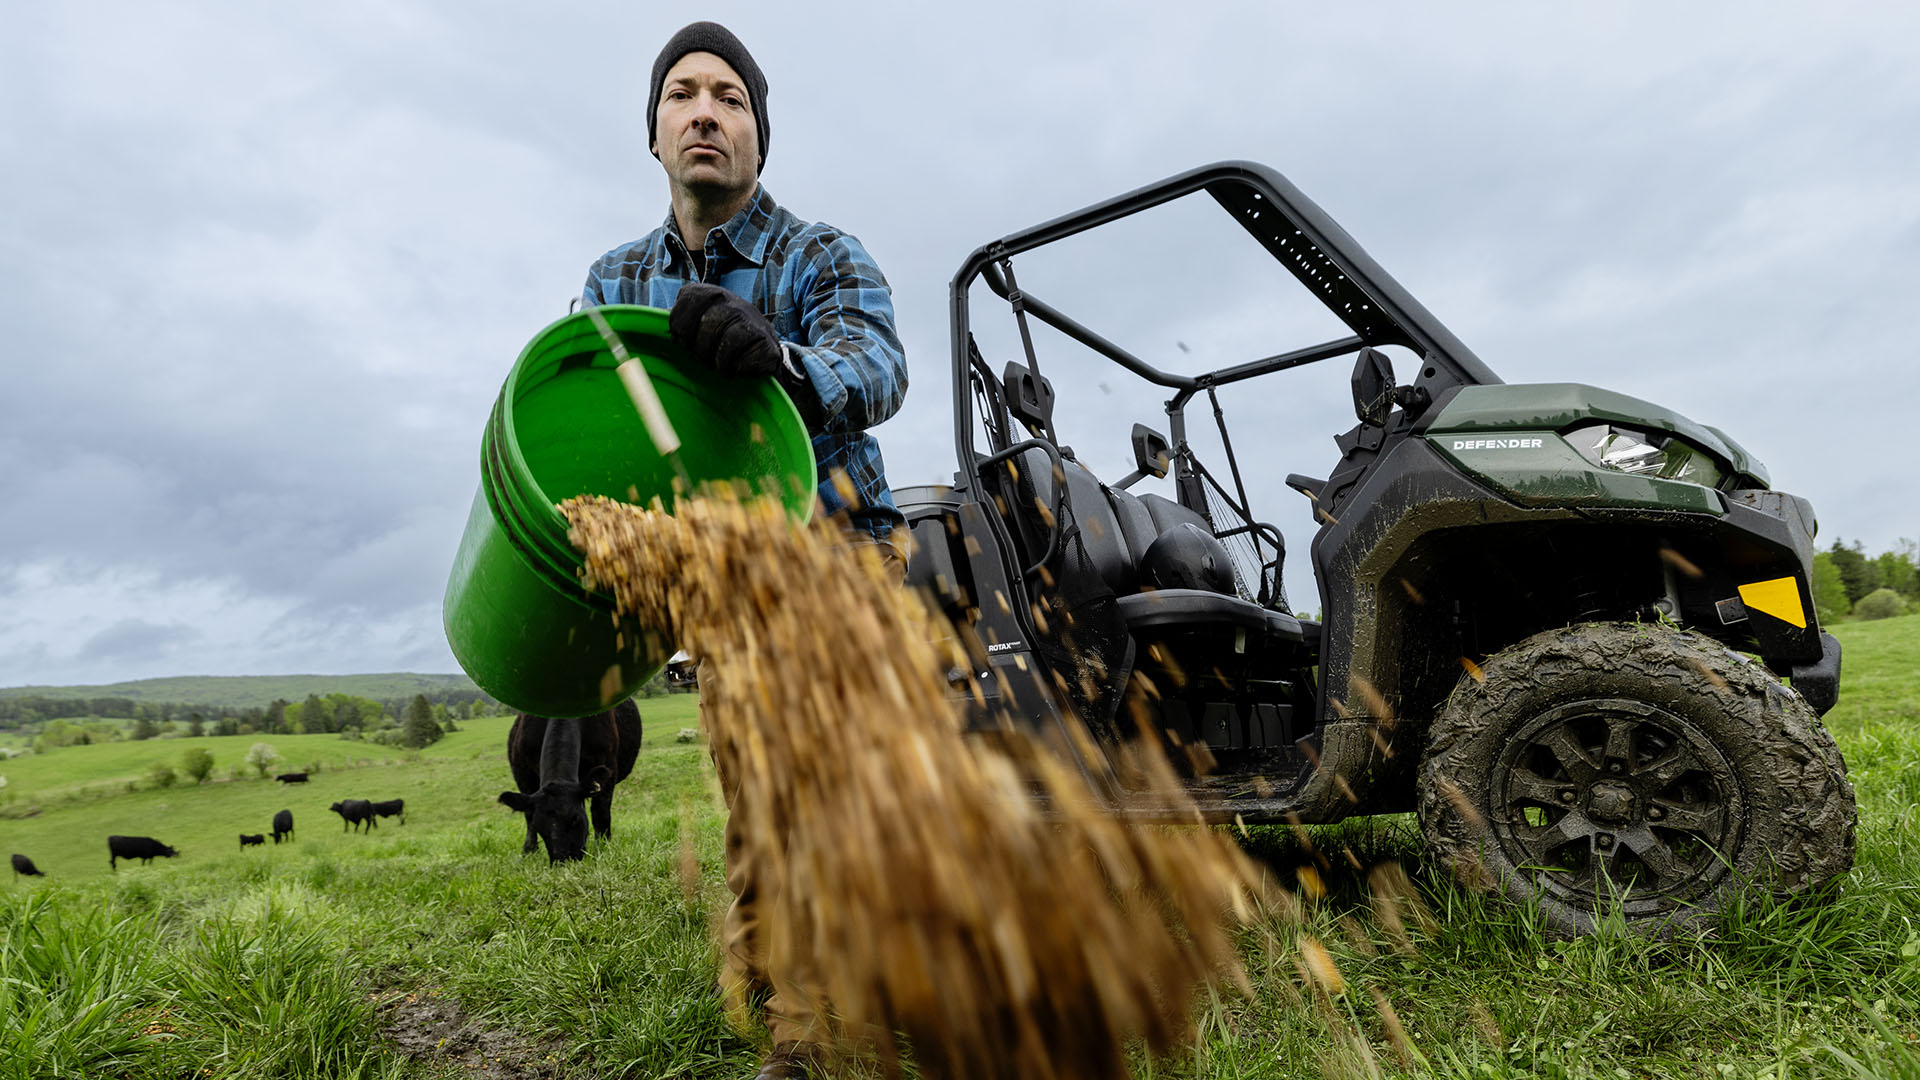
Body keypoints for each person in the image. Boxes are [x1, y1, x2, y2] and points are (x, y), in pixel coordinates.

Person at [580, 21, 908, 1080]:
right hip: (720, 585)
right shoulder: (614, 279)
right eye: (684, 94)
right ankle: (790, 995)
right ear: (657, 132)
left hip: (840, 556)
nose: (707, 111)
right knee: (757, 789)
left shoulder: (820, 253)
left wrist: (786, 361)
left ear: (759, 134)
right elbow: (585, 416)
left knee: (827, 788)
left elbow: (879, 363)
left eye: (730, 96)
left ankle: (830, 1019)